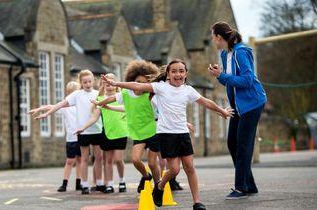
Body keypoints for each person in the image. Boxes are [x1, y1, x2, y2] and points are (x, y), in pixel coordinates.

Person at [101, 59, 233, 210]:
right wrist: (115, 84)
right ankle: (160, 186)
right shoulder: (160, 87)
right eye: (174, 71)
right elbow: (137, 85)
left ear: (186, 74)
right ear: (168, 74)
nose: (178, 74)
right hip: (166, 134)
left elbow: (206, 102)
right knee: (175, 170)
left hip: (182, 134)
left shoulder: (188, 90)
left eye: (181, 71)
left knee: (190, 167)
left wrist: (222, 111)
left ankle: (197, 202)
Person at [208, 21, 267, 200]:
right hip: (237, 106)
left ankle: (240, 188)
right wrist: (220, 76)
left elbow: (247, 80)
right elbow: (230, 81)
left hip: (251, 104)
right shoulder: (225, 53)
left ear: (218, 37)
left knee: (242, 145)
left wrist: (223, 76)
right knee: (232, 143)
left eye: (213, 37)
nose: (213, 40)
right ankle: (250, 185)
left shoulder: (241, 52)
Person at [29, 69, 104, 194]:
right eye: (85, 82)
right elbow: (59, 105)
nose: (87, 84)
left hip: (96, 130)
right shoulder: (77, 95)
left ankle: (100, 183)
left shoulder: (98, 94)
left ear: (93, 81)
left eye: (89, 81)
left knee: (99, 158)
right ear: (81, 83)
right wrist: (45, 113)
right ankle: (84, 185)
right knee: (84, 159)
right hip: (83, 132)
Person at [93, 60, 161, 194]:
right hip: (138, 132)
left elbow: (165, 111)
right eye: (138, 82)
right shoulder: (126, 94)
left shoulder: (151, 96)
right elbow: (112, 98)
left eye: (144, 83)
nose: (140, 85)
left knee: (153, 163)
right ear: (131, 81)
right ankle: (146, 176)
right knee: (135, 160)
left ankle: (158, 187)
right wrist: (100, 103)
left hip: (153, 131)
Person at [76, 73, 128, 193]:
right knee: (107, 160)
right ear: (103, 86)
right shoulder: (100, 100)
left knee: (119, 159)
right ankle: (109, 184)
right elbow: (94, 118)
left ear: (115, 84)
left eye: (111, 84)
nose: (109, 87)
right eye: (106, 84)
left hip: (121, 132)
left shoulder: (122, 97)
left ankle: (122, 181)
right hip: (107, 133)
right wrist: (83, 128)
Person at [56, 81, 82, 192]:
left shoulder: (81, 105)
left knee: (81, 161)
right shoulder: (65, 107)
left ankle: (79, 182)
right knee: (69, 161)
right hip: (71, 138)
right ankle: (64, 183)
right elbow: (55, 107)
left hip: (82, 137)